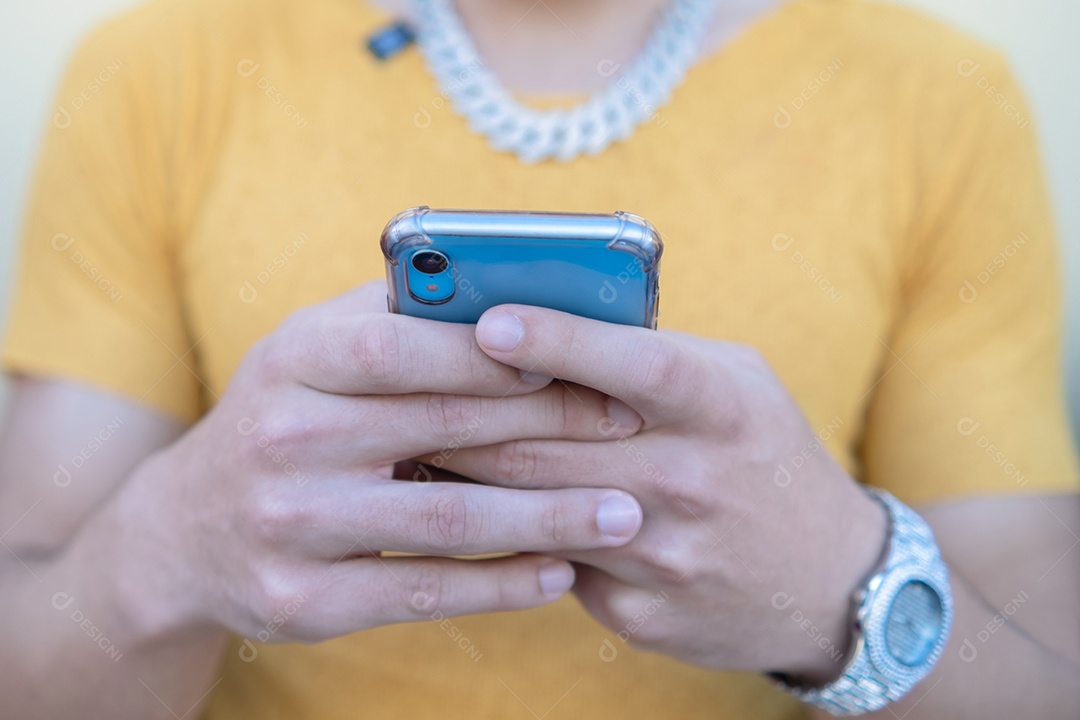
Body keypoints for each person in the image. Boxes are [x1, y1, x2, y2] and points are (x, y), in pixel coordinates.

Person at [0, 0, 1077, 717]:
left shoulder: (941, 101)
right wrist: (169, 549)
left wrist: (840, 590)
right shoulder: (158, 70)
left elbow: (1044, 671)